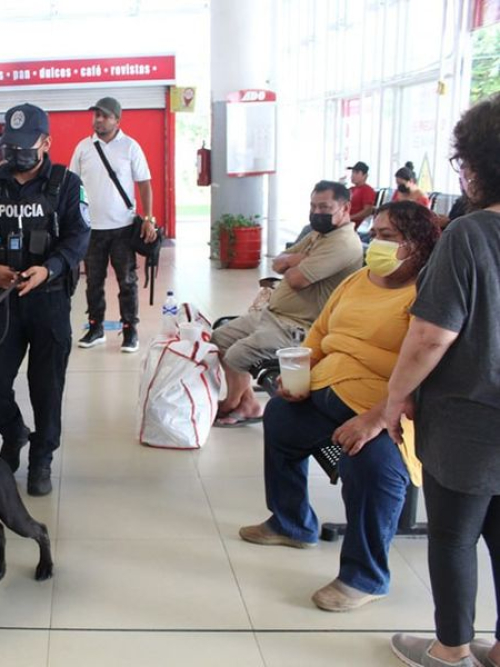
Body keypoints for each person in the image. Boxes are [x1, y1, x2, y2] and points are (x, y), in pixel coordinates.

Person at [239, 201, 440, 613]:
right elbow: (320, 332)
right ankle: (292, 523)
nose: (375, 244)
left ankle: (364, 577)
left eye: (388, 237)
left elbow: (428, 371)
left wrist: (376, 417)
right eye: (375, 234)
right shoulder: (359, 281)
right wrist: (298, 374)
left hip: (386, 412)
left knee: (371, 464)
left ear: (418, 246)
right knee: (280, 416)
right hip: (326, 391)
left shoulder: (429, 295)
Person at [385, 94, 500, 667]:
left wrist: (394, 397)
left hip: (469, 420)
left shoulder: (470, 235)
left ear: (477, 163)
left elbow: (431, 336)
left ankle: (450, 649)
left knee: (454, 537)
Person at [0, 103, 91, 497]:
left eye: (24, 146)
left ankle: (42, 458)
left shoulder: (67, 184)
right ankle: (14, 434)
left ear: (46, 143)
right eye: (9, 146)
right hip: (2, 301)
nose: (14, 154)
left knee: (46, 386)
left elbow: (78, 238)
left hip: (48, 301)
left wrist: (48, 269)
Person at [211, 181, 363, 425]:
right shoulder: (319, 235)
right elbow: (277, 263)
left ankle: (230, 403)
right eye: (313, 206)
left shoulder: (343, 243)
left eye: (324, 207)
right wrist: (301, 258)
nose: (317, 213)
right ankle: (247, 402)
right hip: (273, 315)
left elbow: (296, 279)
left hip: (299, 327)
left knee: (237, 354)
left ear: (345, 208)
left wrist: (295, 262)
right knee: (219, 338)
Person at [71, 96, 156, 353]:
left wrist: (149, 218)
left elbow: (144, 183)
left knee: (127, 282)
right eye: (96, 115)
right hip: (91, 230)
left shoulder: (130, 147)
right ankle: (95, 328)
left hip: (122, 228)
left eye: (104, 116)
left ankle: (130, 331)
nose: (98, 119)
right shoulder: (83, 148)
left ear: (117, 120)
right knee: (93, 282)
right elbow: (73, 185)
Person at [346, 161, 377, 227]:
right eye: (353, 172)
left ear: (365, 175)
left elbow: (367, 212)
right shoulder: (351, 189)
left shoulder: (367, 190)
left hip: (356, 225)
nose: (353, 175)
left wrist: (350, 218)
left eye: (357, 173)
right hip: (345, 223)